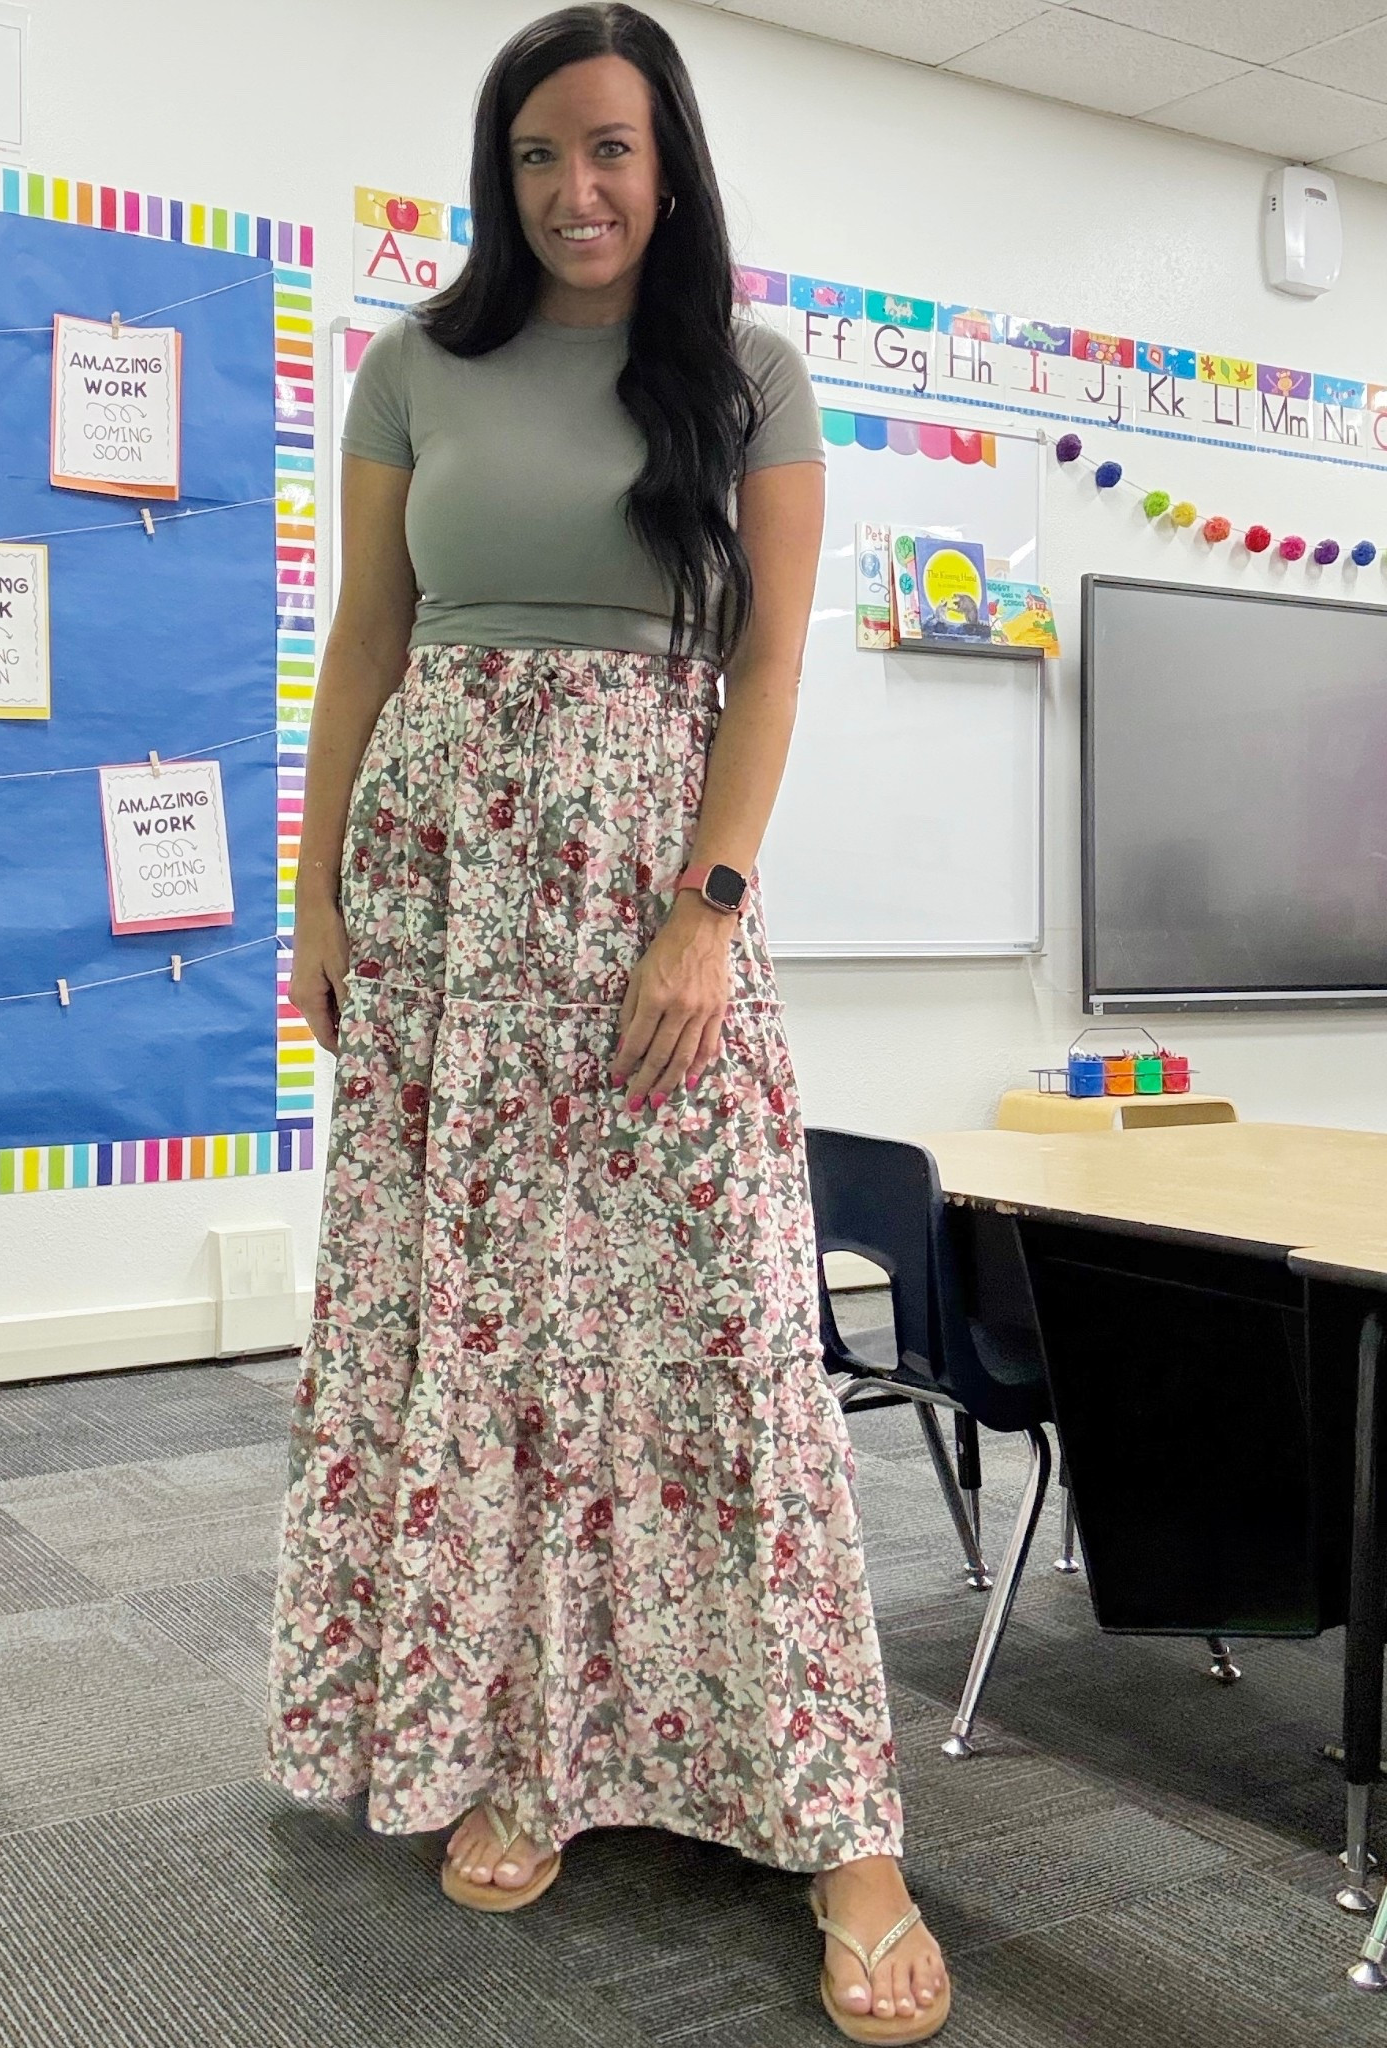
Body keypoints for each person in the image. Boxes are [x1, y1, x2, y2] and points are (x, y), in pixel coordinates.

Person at [265, 6, 950, 2038]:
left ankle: (845, 1824)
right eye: (543, 153)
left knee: (726, 1329)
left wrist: (707, 913)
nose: (578, 191)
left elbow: (767, 679)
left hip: (652, 901)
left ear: (671, 167)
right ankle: (519, 1746)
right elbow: (367, 644)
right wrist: (317, 893)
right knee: (465, 1331)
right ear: (503, 170)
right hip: (441, 903)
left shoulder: (749, 375)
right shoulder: (418, 365)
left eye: (614, 152)